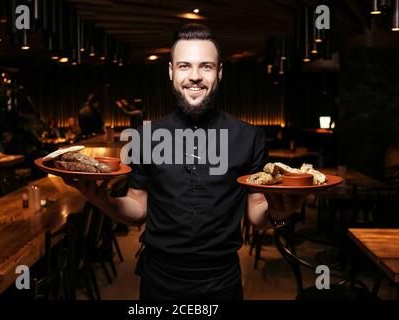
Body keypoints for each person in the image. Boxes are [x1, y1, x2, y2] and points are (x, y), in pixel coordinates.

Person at [63, 23, 304, 300]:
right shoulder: (144, 137)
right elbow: (138, 206)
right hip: (158, 281)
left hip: (222, 282)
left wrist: (280, 215)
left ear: (219, 72)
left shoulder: (250, 137)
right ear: (171, 72)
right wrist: (101, 200)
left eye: (206, 66)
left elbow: (256, 211)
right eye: (184, 66)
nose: (195, 76)